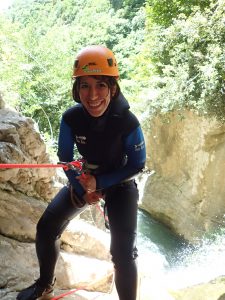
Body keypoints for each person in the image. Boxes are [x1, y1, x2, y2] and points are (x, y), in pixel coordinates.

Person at [16, 45, 146, 300]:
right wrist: (81, 188)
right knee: (46, 226)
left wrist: (100, 182)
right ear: (77, 90)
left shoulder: (127, 122)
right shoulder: (72, 118)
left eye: (100, 85)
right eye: (85, 86)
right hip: (86, 179)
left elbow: (136, 164)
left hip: (119, 182)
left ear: (113, 88)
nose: (93, 95)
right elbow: (65, 158)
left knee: (122, 253)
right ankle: (45, 284)